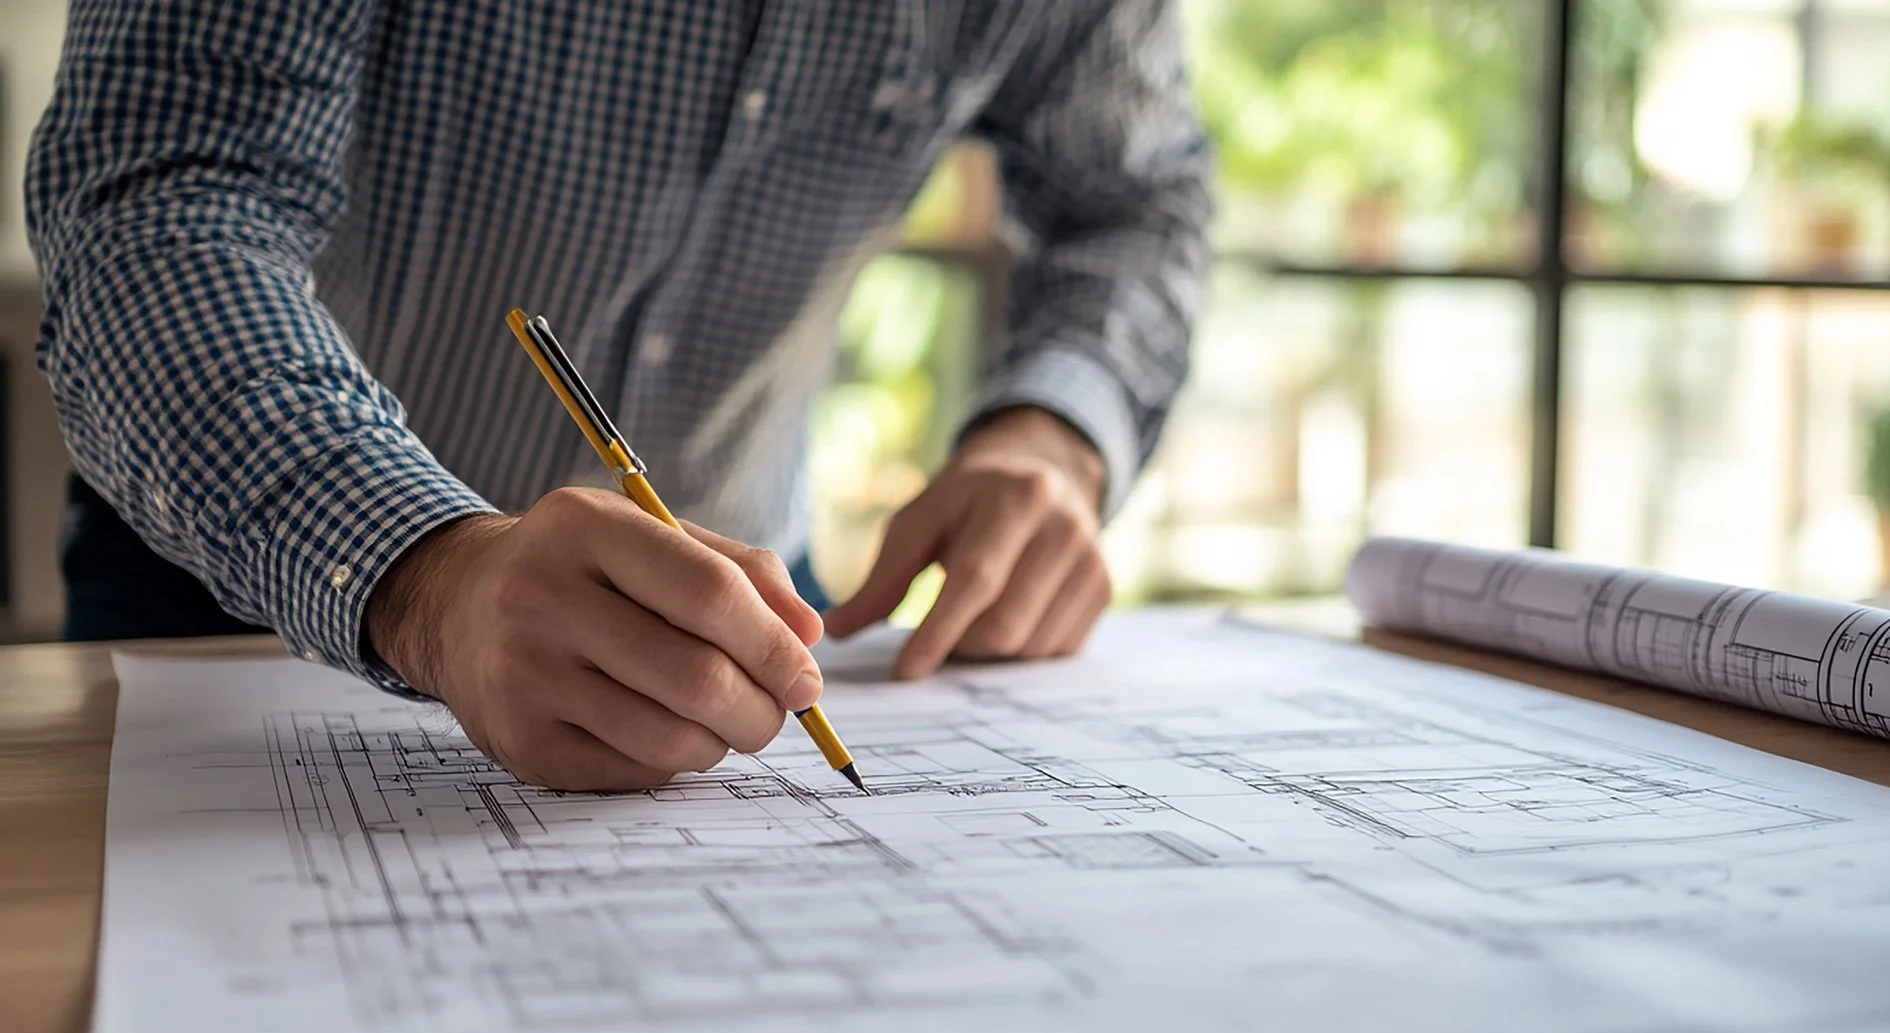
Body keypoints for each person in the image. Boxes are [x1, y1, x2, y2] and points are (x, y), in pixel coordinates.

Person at [27, 1, 1212, 791]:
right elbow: (161, 204)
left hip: (742, 605)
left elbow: (1136, 199)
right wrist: (428, 573)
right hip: (245, 577)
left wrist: (1051, 436)